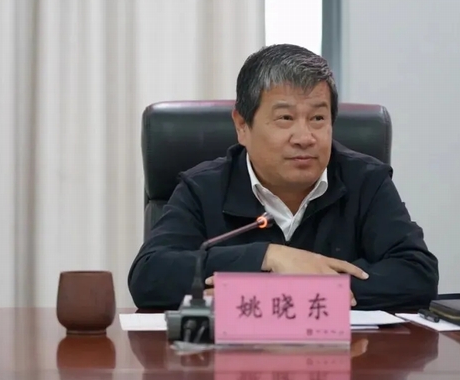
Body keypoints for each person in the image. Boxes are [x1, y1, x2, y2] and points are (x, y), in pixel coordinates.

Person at [128, 44, 439, 310]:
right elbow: (150, 275)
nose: (304, 137)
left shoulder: (365, 181)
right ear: (242, 126)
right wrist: (267, 256)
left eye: (318, 118)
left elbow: (417, 274)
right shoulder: (203, 187)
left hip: (347, 358)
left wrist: (275, 293)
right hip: (230, 359)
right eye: (285, 118)